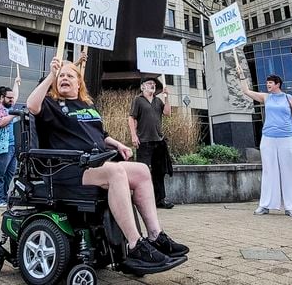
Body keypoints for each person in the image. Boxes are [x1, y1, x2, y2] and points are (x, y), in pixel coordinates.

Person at [27, 56, 188, 273]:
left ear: (79, 83)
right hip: (68, 168)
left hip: (94, 164)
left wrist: (118, 144)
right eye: (61, 76)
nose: (64, 78)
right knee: (116, 172)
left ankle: (155, 236)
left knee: (141, 170)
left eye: (70, 75)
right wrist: (50, 75)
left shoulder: (87, 106)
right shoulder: (51, 104)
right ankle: (134, 245)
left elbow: (100, 135)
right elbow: (31, 105)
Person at [238, 70, 292, 217]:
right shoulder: (266, 97)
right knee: (269, 171)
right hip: (268, 138)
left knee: (290, 172)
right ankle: (265, 205)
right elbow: (246, 91)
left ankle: (291, 206)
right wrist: (241, 76)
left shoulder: (288, 98)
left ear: (277, 84)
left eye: (270, 83)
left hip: (287, 138)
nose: (268, 85)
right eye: (267, 83)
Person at [129, 77, 175, 209]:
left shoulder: (157, 100)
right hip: (144, 141)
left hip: (158, 141)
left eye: (154, 84)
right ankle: (141, 201)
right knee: (142, 172)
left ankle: (160, 200)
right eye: (149, 83)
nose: (152, 85)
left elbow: (167, 113)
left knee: (159, 172)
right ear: (143, 86)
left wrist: (166, 97)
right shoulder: (138, 100)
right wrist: (133, 135)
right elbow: (131, 118)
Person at [0, 78, 20, 208]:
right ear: (2, 97)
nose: (12, 100)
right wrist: (14, 114)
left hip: (12, 146)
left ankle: (2, 197)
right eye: (9, 98)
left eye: (12, 98)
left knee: (9, 173)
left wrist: (16, 83)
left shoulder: (9, 108)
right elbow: (0, 122)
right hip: (2, 146)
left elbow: (16, 95)